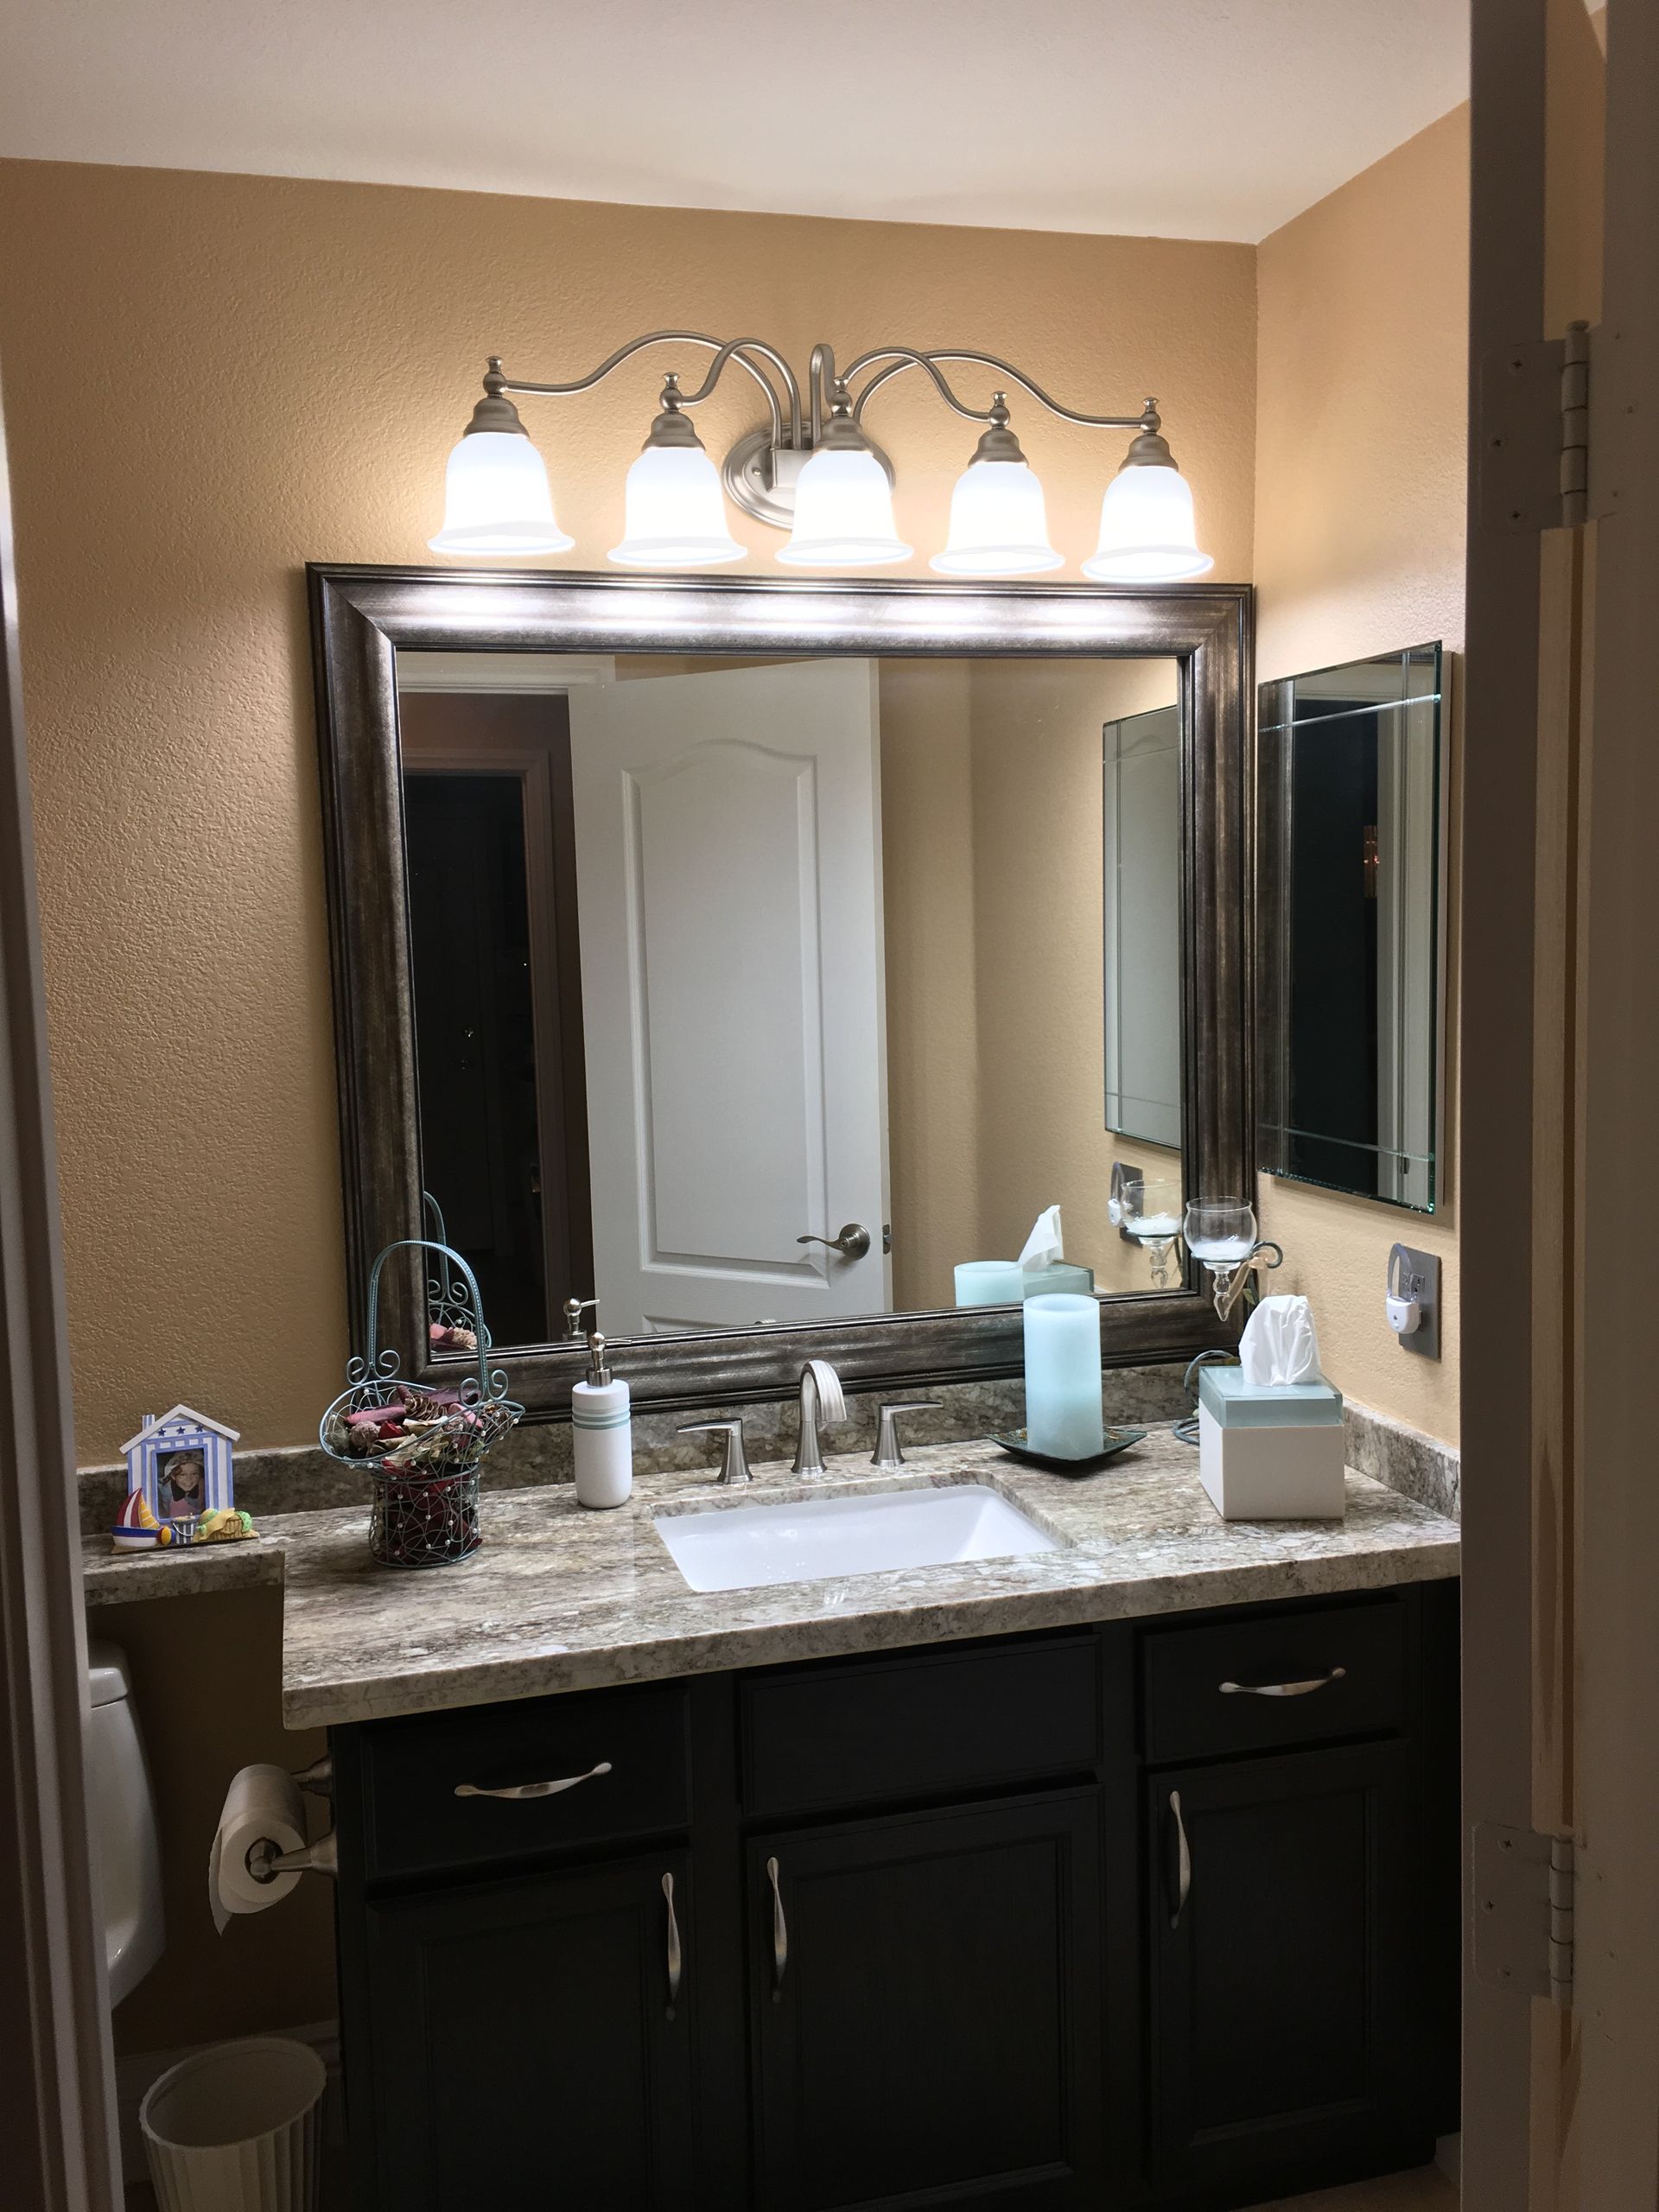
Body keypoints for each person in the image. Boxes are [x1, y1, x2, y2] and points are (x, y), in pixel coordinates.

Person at [159, 1451, 205, 1520]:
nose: (189, 1479)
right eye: (183, 1474)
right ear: (173, 1476)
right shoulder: (166, 1492)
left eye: (194, 1473)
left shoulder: (203, 1486)